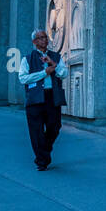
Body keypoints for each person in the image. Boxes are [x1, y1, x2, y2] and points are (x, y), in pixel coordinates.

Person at [17, 28, 67, 171]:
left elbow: (64, 73)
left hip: (52, 97)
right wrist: (44, 72)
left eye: (45, 37)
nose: (44, 40)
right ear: (34, 42)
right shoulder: (27, 59)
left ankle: (44, 152)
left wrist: (53, 64)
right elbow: (23, 78)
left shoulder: (56, 56)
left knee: (55, 127)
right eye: (40, 38)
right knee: (36, 131)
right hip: (35, 99)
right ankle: (42, 161)